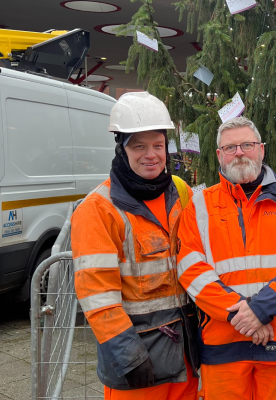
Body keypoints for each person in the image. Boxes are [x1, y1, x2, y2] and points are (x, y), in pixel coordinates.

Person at [176, 116, 276, 400]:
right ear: (219, 155)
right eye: (230, 148)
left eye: (247, 145)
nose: (239, 152)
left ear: (261, 149)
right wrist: (244, 315)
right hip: (222, 343)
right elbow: (190, 269)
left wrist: (261, 310)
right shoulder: (199, 205)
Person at [72, 92, 199, 400]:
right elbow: (97, 295)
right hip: (140, 361)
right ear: (121, 149)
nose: (151, 155)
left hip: (186, 357)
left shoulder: (180, 193)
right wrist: (129, 356)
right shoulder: (98, 209)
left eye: (158, 145)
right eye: (139, 146)